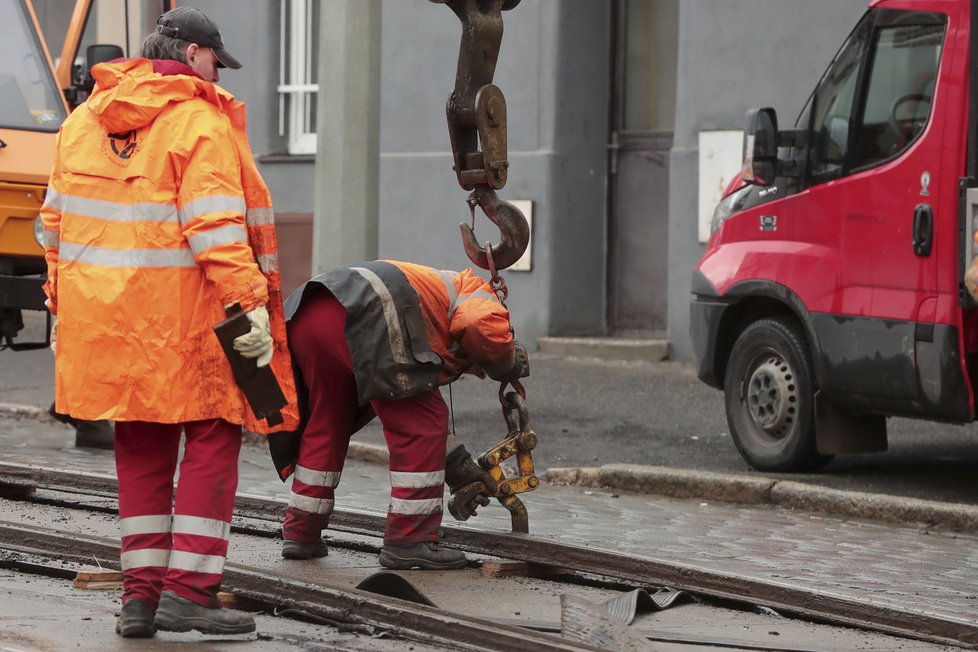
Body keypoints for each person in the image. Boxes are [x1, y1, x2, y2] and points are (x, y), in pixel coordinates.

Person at [38, 7, 299, 639]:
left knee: (141, 450)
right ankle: (189, 593)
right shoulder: (196, 122)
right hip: (193, 324)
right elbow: (215, 229)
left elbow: (52, 227)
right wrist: (252, 305)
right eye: (216, 60)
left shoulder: (81, 124)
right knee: (214, 437)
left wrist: (63, 297)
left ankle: (140, 599)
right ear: (189, 56)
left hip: (112, 328)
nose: (219, 73)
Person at [270, 260, 528, 569]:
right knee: (424, 419)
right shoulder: (480, 294)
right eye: (479, 369)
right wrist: (506, 362)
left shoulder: (431, 299)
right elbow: (477, 325)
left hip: (311, 311)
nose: (478, 374)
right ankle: (409, 539)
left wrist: (458, 466)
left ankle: (301, 532)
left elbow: (398, 398)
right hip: (368, 311)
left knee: (328, 421)